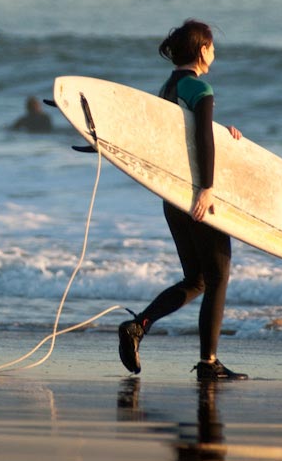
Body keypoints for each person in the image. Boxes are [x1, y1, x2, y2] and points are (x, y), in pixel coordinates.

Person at [117, 19, 246, 381]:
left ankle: (138, 326)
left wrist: (226, 136)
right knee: (218, 277)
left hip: (171, 197)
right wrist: (206, 188)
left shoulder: (167, 89)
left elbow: (186, 139)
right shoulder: (199, 88)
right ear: (203, 50)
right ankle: (209, 363)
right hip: (195, 197)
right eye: (213, 47)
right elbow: (201, 138)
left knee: (197, 279)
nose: (215, 53)